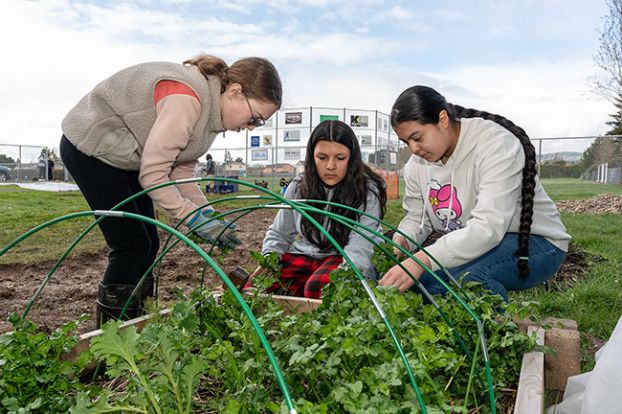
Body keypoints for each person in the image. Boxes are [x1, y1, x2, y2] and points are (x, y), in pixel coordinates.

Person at [60, 54, 282, 325]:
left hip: (125, 157)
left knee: (149, 243)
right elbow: (154, 175)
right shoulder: (187, 100)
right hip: (91, 147)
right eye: (255, 118)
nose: (250, 128)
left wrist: (207, 215)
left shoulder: (211, 118)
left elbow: (180, 171)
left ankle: (135, 324)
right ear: (235, 92)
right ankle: (111, 341)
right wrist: (193, 218)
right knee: (131, 245)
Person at [379, 85, 571, 301]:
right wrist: (402, 242)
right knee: (420, 283)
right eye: (406, 142)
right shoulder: (417, 164)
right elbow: (417, 217)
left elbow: (488, 227)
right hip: (482, 240)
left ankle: (496, 330)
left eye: (417, 137)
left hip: (535, 243)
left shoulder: (496, 145)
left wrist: (422, 259)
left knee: (466, 279)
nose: (413, 149)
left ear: (442, 119)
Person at [244, 120, 387, 299]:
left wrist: (345, 279)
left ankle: (309, 294)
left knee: (318, 288)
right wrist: (269, 260)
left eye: (340, 158)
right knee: (257, 287)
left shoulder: (366, 191)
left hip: (344, 256)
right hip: (307, 253)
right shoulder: (299, 187)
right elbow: (279, 233)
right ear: (312, 156)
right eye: (322, 157)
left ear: (352, 158)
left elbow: (360, 247)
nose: (330, 166)